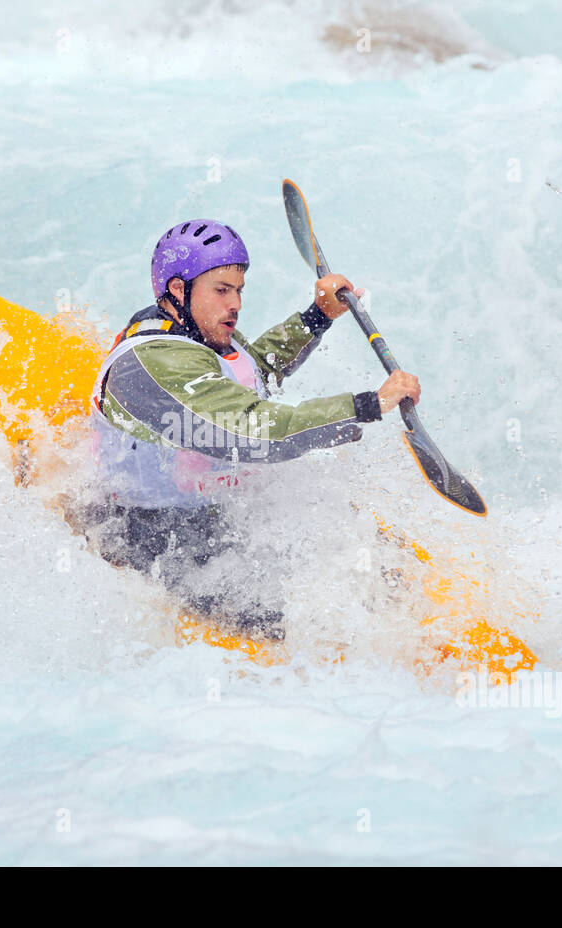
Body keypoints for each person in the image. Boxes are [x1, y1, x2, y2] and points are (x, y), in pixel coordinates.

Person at [73, 218, 421, 640]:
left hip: (211, 510)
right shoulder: (155, 363)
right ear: (180, 290)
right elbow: (253, 431)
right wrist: (367, 405)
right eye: (221, 290)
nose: (235, 303)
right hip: (148, 531)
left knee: (367, 553)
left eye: (238, 290)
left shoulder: (200, 337)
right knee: (293, 622)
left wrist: (318, 316)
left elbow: (253, 370)